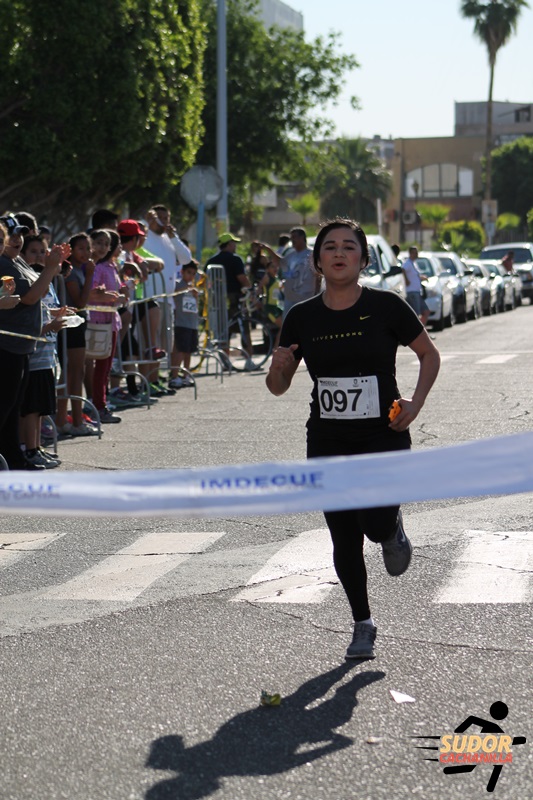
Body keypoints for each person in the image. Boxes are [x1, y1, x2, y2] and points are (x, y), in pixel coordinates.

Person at [266, 218, 440, 660]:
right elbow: (277, 386)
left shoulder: (386, 306)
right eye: (330, 247)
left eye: (348, 247)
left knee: (374, 523)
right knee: (344, 535)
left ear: (363, 259)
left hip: (384, 434)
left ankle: (391, 529)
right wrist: (280, 367)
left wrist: (416, 404)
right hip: (327, 438)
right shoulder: (301, 317)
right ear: (318, 261)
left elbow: (428, 354)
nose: (339, 253)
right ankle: (362, 623)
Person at [0, 214, 68, 469]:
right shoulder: (4, 265)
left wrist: (52, 313)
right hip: (7, 346)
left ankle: (14, 459)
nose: (16, 239)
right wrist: (50, 267)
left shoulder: (15, 262)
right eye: (10, 235)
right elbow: (28, 297)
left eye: (19, 234)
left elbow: (36, 298)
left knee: (13, 407)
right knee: (5, 406)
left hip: (22, 346)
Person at [261, 227, 321, 318]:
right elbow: (279, 262)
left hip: (306, 300)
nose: (292, 240)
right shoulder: (291, 255)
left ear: (302, 238)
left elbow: (318, 276)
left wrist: (317, 296)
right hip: (290, 301)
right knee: (290, 328)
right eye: (291, 237)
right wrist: (268, 249)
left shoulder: (311, 254)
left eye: (294, 237)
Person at [205, 232, 250, 319]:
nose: (235, 245)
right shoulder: (235, 259)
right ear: (229, 244)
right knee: (238, 321)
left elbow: (206, 279)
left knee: (220, 321)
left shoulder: (211, 261)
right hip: (234, 296)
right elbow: (242, 278)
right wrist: (250, 290)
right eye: (234, 243)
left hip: (216, 297)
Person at [169, 260, 199, 388]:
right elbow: (174, 294)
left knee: (189, 351)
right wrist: (185, 288)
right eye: (188, 273)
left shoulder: (192, 288)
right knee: (180, 350)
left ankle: (186, 374)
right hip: (181, 323)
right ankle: (174, 376)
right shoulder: (178, 285)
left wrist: (195, 295)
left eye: (193, 273)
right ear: (182, 272)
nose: (191, 276)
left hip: (192, 324)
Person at [256, 259, 284, 348]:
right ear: (267, 269)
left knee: (287, 325)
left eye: (276, 267)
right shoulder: (267, 277)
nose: (275, 268)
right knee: (283, 327)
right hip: (269, 307)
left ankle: (278, 347)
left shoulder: (277, 278)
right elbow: (259, 289)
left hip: (277, 306)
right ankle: (276, 348)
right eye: (272, 267)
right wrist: (257, 301)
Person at [401, 245, 428, 325]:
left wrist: (421, 278)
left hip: (417, 291)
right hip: (412, 292)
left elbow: (414, 275)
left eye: (417, 253)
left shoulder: (414, 263)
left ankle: (423, 331)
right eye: (414, 253)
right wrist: (406, 280)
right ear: (410, 253)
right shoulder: (408, 263)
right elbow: (403, 269)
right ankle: (417, 334)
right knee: (416, 314)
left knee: (426, 311)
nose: (416, 254)